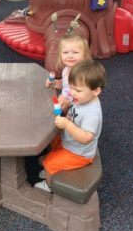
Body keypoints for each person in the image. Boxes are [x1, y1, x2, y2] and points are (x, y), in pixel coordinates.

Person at [35, 59, 106, 192]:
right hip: (70, 141)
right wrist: (67, 104)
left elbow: (86, 137)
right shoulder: (83, 97)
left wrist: (67, 125)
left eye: (77, 90)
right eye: (71, 88)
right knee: (53, 140)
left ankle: (49, 185)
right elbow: (74, 107)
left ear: (96, 91)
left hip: (80, 153)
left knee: (49, 163)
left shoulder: (93, 112)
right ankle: (53, 163)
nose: (73, 93)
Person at [45, 32, 91, 113]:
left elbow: (84, 97)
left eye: (75, 52)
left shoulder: (82, 75)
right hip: (64, 100)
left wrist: (67, 103)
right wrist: (55, 83)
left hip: (76, 107)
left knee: (53, 113)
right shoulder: (66, 69)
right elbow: (65, 84)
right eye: (65, 52)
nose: (70, 56)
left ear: (84, 55)